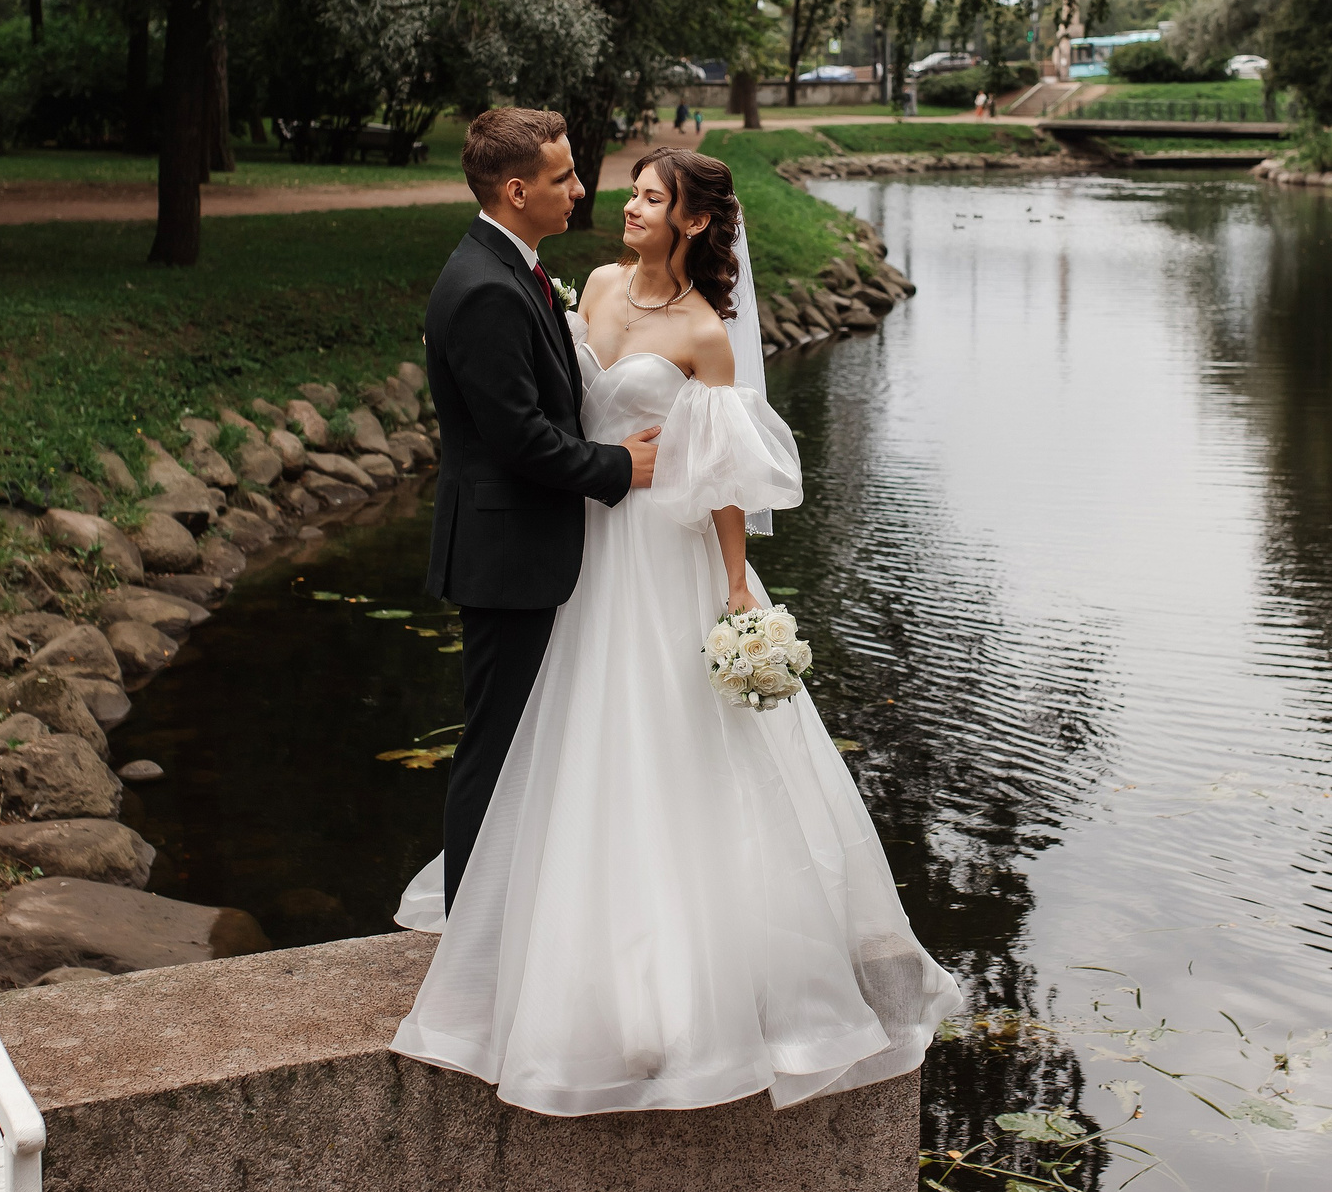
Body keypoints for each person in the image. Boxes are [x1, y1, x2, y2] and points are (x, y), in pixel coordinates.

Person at [392, 146, 962, 1116]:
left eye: (651, 197)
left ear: (692, 221)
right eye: (631, 191)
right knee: (571, 736)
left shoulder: (706, 334)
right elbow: (546, 408)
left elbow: (726, 478)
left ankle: (677, 974)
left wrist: (736, 584)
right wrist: (598, 462)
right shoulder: (597, 286)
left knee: (668, 739)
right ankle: (547, 928)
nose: (626, 205)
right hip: (585, 541)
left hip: (664, 548)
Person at [420, 108, 663, 913]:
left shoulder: (511, 265)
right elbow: (518, 438)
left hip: (517, 546)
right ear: (518, 189)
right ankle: (471, 931)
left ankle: (509, 914)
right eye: (563, 177)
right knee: (495, 746)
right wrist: (618, 467)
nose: (581, 189)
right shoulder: (486, 287)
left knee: (519, 740)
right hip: (504, 554)